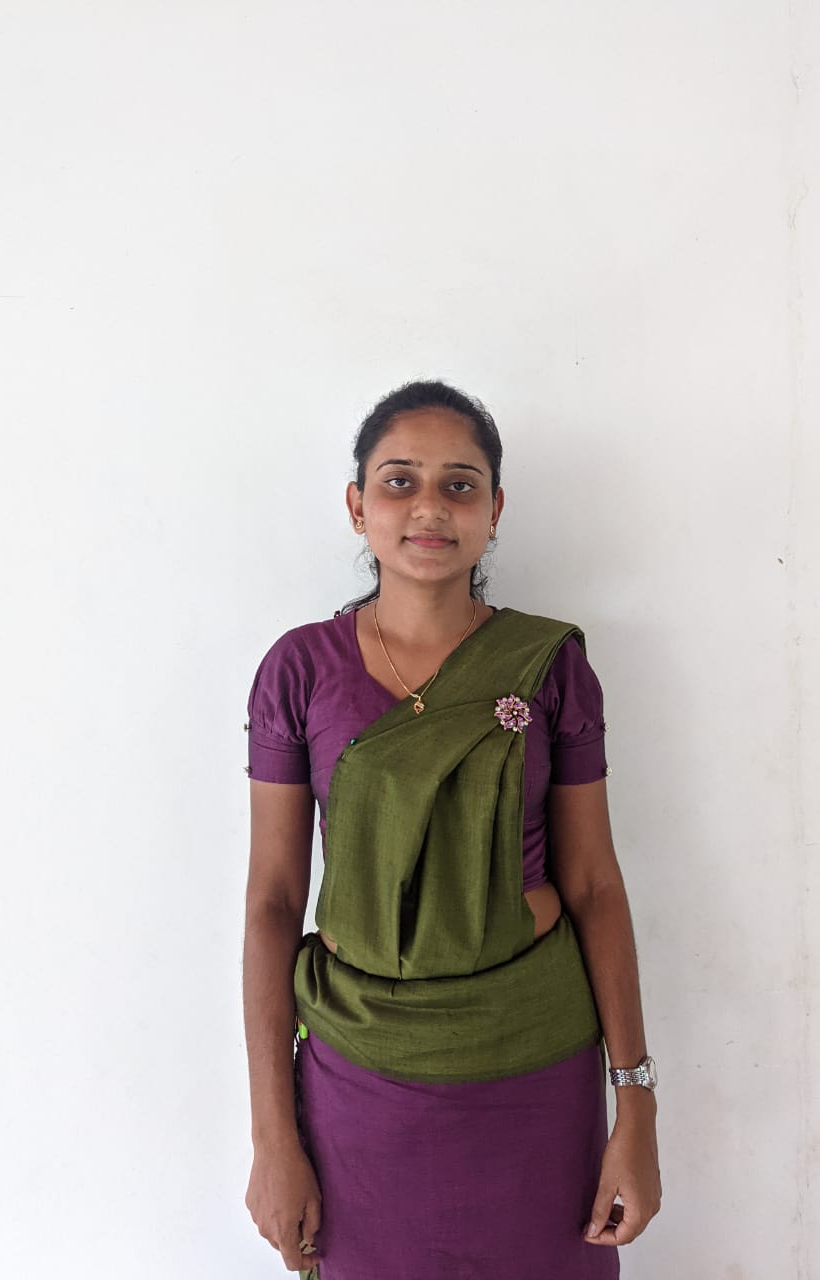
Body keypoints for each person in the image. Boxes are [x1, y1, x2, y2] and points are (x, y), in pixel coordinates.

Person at [242, 380, 661, 1279]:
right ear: (357, 505)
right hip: (359, 1071)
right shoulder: (300, 669)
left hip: (535, 1062)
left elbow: (594, 886)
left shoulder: (547, 667)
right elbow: (274, 902)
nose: (429, 506)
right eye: (399, 481)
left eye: (459, 485)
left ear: (494, 509)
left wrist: (636, 1109)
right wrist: (272, 1138)